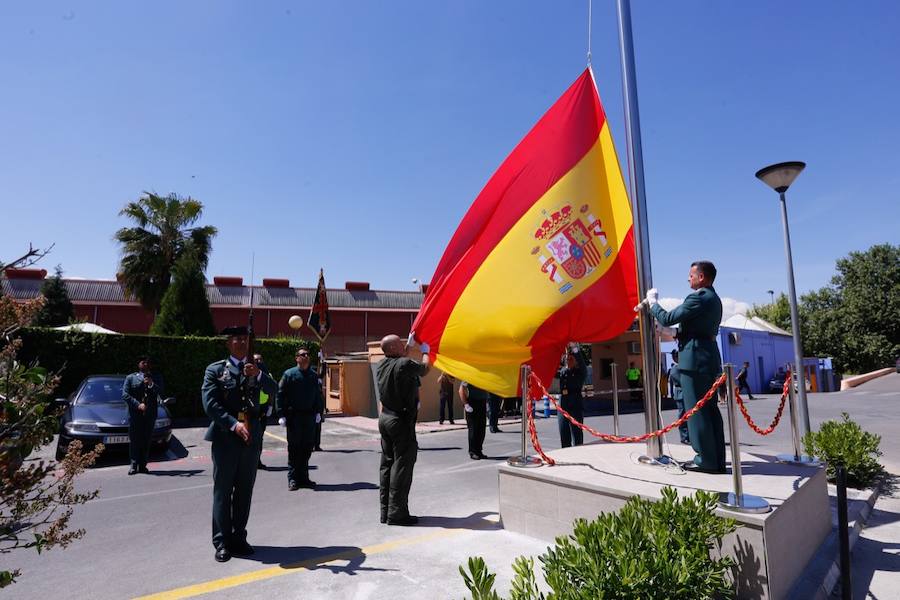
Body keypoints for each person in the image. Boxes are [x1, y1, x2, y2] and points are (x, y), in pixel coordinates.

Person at [201, 325, 277, 563]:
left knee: (244, 491)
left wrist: (259, 375)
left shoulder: (257, 367)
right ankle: (222, 541)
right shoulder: (215, 370)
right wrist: (234, 424)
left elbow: (274, 390)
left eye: (244, 339)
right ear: (228, 343)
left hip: (251, 438)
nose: (241, 343)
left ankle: (239, 537)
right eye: (236, 339)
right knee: (223, 491)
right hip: (226, 437)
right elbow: (210, 404)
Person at [642, 260, 726, 474]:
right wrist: (674, 333)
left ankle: (705, 460)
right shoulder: (713, 299)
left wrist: (653, 304)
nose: (688, 278)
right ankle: (715, 459)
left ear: (702, 278)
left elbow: (669, 316)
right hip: (706, 357)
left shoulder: (697, 297)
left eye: (691, 275)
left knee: (697, 411)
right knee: (710, 410)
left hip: (694, 360)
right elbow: (696, 329)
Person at [376, 334, 429, 526]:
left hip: (386, 418)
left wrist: (409, 343)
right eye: (399, 343)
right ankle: (397, 514)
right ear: (392, 349)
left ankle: (386, 512)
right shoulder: (405, 364)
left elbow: (401, 357)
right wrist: (426, 352)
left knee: (387, 465)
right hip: (400, 421)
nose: (402, 345)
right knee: (402, 466)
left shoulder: (383, 364)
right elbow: (423, 369)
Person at [276, 347, 324, 491]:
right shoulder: (289, 374)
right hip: (294, 417)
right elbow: (280, 394)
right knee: (295, 449)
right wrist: (281, 415)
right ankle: (293, 479)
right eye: (303, 355)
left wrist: (318, 412)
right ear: (297, 358)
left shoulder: (313, 375)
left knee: (307, 448)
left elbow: (317, 395)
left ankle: (304, 478)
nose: (306, 357)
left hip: (309, 417)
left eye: (308, 355)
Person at [122, 356, 164, 475]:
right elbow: (125, 394)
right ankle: (134, 465)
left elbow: (160, 392)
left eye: (148, 362)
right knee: (135, 440)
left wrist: (151, 384)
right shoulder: (131, 378)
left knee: (146, 440)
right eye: (143, 362)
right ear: (139, 364)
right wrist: (137, 404)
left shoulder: (157, 377)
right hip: (135, 414)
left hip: (150, 415)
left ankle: (143, 465)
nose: (145, 364)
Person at [557, 343, 587, 448]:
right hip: (563, 404)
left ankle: (578, 454)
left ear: (576, 361)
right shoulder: (563, 372)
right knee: (563, 433)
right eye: (567, 359)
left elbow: (581, 362)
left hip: (575, 404)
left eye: (571, 359)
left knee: (577, 434)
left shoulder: (581, 372)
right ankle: (566, 453)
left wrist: (574, 347)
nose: (568, 360)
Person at [252, 353, 272, 470]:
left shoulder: (267, 375)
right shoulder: (248, 374)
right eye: (256, 360)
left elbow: (271, 392)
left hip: (263, 409)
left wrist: (270, 406)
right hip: (251, 409)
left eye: (260, 359)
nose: (258, 362)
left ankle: (258, 460)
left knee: (260, 437)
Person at [460, 381, 489, 460]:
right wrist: (466, 404)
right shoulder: (469, 375)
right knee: (473, 429)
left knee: (481, 429)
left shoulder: (483, 376)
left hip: (482, 402)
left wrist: (486, 402)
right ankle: (473, 451)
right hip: (472, 402)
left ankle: (479, 451)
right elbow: (461, 390)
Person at [669, 350, 690, 445]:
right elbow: (680, 381)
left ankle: (688, 435)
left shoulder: (680, 367)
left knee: (688, 415)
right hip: (680, 394)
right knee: (682, 416)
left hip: (684, 393)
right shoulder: (675, 369)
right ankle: (684, 436)